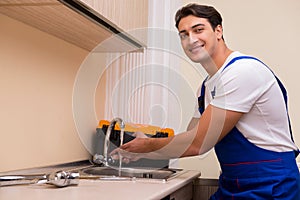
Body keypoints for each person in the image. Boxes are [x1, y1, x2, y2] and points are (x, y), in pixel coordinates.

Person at [111, 3, 300, 199]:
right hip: (234, 182)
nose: (191, 39)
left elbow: (198, 143)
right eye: (183, 34)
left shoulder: (242, 72)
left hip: (271, 184)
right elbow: (190, 136)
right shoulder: (206, 87)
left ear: (218, 31)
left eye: (198, 30)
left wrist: (147, 145)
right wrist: (145, 148)